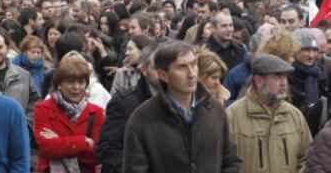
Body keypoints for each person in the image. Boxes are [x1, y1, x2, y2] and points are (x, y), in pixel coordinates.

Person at [123, 41, 242, 173]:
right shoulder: (142, 119)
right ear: (163, 75)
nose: (192, 74)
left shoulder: (215, 109)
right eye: (182, 67)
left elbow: (230, 160)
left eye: (194, 64)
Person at [226, 54, 312, 173]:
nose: (284, 83)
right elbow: (224, 162)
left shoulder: (294, 115)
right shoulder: (232, 115)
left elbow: (307, 158)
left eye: (285, 77)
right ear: (258, 81)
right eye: (277, 76)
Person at [33, 51, 105, 173]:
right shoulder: (43, 109)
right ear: (59, 84)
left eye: (81, 82)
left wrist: (59, 140)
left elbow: (97, 156)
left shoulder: (96, 112)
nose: (76, 87)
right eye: (70, 82)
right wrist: (84, 142)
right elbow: (47, 148)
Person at [97, 43, 159, 173]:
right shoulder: (125, 103)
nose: (165, 73)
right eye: (158, 67)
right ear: (144, 69)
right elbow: (108, 150)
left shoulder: (185, 102)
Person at [0, 30, 41, 128]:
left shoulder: (24, 75)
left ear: (7, 48)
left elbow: (35, 102)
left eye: (0, 47)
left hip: (20, 133)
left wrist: (24, 124)